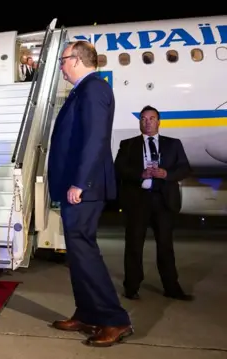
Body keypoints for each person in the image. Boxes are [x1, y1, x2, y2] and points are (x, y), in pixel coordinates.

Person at [46, 40, 132, 347]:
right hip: (78, 185)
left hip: (85, 188)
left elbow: (95, 140)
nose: (61, 66)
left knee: (84, 251)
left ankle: (114, 319)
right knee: (78, 254)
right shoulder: (83, 90)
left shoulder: (94, 89)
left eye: (63, 60)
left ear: (77, 59)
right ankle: (87, 312)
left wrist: (80, 183)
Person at [114, 105, 193, 301]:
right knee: (134, 246)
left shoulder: (173, 144)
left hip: (164, 201)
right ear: (139, 122)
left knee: (165, 246)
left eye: (151, 118)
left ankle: (171, 287)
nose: (147, 122)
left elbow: (184, 168)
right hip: (138, 201)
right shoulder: (128, 144)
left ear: (158, 122)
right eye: (143, 119)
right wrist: (139, 174)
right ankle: (131, 287)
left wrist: (167, 174)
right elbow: (119, 169)